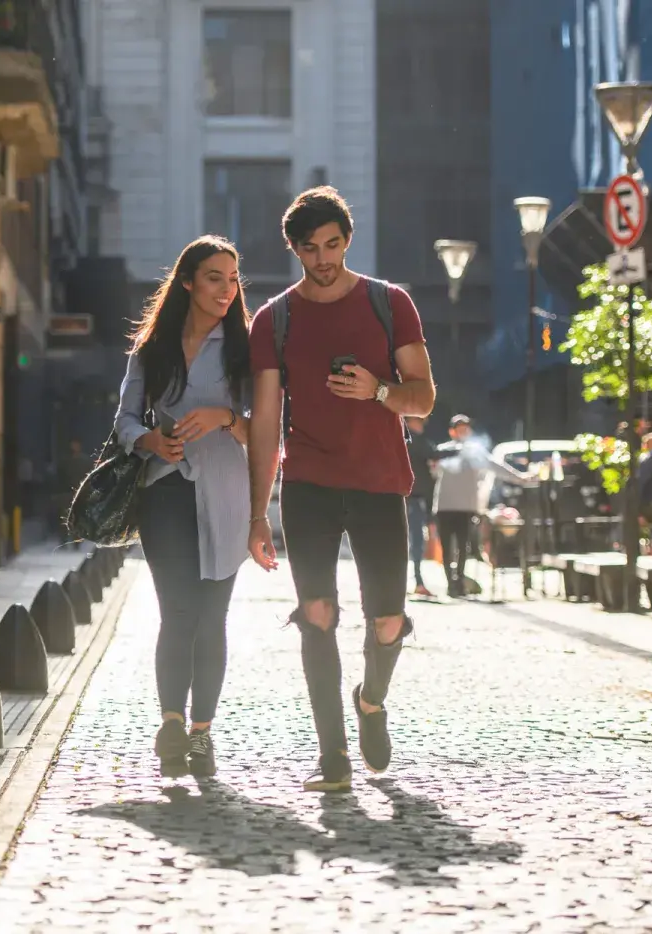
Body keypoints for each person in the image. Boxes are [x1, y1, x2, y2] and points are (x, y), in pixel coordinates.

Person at [246, 186, 435, 792]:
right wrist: (258, 512)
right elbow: (267, 420)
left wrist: (378, 391)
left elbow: (424, 397)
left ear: (347, 240)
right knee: (317, 614)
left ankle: (371, 701)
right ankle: (333, 757)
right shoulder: (273, 320)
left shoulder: (390, 303)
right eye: (310, 248)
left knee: (387, 621)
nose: (323, 258)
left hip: (380, 480)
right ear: (294, 249)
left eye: (332, 244)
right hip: (310, 483)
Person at [114, 235, 252, 779]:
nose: (225, 288)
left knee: (212, 617)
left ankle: (202, 735)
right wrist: (150, 441)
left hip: (225, 490)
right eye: (214, 277)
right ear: (189, 282)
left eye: (232, 278)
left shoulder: (246, 349)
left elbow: (265, 430)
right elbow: (124, 420)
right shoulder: (153, 348)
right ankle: (171, 722)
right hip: (164, 488)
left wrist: (223, 417)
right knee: (177, 611)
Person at [430, 415, 537, 597]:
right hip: (444, 506)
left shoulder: (475, 451)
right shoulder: (443, 450)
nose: (463, 432)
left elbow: (496, 466)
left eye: (466, 428)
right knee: (447, 547)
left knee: (463, 547)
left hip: (465, 507)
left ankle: (460, 581)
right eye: (459, 428)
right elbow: (432, 471)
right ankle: (451, 583)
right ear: (452, 431)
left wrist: (520, 477)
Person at [404, 416, 437, 598]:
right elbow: (434, 455)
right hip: (412, 499)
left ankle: (412, 582)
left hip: (403, 498)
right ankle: (417, 582)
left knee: (408, 542)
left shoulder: (402, 439)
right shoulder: (416, 441)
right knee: (415, 542)